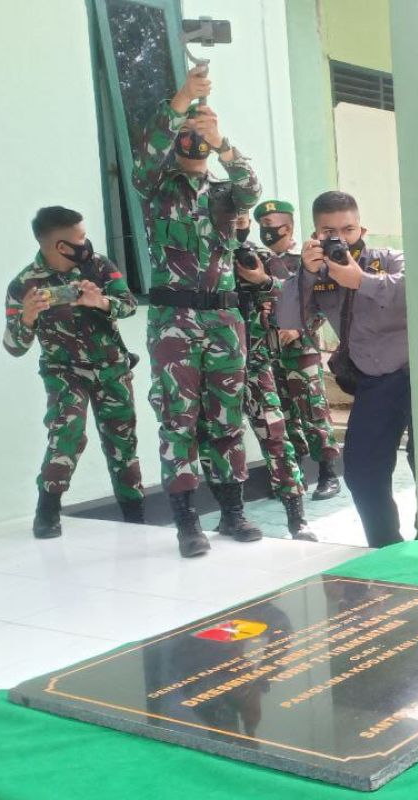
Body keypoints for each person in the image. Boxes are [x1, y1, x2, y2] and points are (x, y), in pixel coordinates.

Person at [132, 65, 263, 558]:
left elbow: (251, 184)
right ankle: (187, 520)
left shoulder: (226, 194)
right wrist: (183, 100)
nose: (193, 138)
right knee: (178, 419)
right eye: (186, 131)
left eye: (200, 131)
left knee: (226, 419)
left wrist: (223, 140)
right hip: (174, 323)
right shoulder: (157, 189)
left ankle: (232, 511)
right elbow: (144, 155)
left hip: (225, 322)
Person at [276, 191, 411, 548]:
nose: (341, 238)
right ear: (315, 235)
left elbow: (416, 290)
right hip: (374, 383)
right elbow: (290, 321)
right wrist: (304, 274)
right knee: (363, 473)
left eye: (348, 229)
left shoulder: (389, 259)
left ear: (361, 227)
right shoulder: (316, 273)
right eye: (329, 231)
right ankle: (388, 548)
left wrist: (360, 280)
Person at [4, 206, 144, 538]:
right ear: (59, 246)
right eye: (79, 238)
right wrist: (26, 317)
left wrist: (102, 302)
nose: (86, 242)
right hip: (64, 372)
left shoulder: (98, 267)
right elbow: (13, 346)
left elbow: (129, 304)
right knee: (66, 435)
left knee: (122, 443)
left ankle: (135, 515)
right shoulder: (24, 285)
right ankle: (48, 511)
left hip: (111, 369)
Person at [216, 211, 316, 541]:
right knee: (222, 441)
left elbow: (294, 297)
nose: (240, 223)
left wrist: (262, 281)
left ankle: (296, 519)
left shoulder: (259, 257)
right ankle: (232, 517)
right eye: (235, 217)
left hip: (257, 364)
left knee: (277, 438)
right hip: (217, 367)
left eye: (243, 217)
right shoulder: (204, 262)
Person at [256, 199, 342, 502]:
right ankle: (293, 475)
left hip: (301, 350)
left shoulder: (306, 259)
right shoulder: (257, 260)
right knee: (282, 414)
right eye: (262, 226)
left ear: (288, 227)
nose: (265, 231)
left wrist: (297, 329)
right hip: (269, 349)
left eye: (271, 226)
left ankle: (328, 474)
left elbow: (321, 302)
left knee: (312, 411)